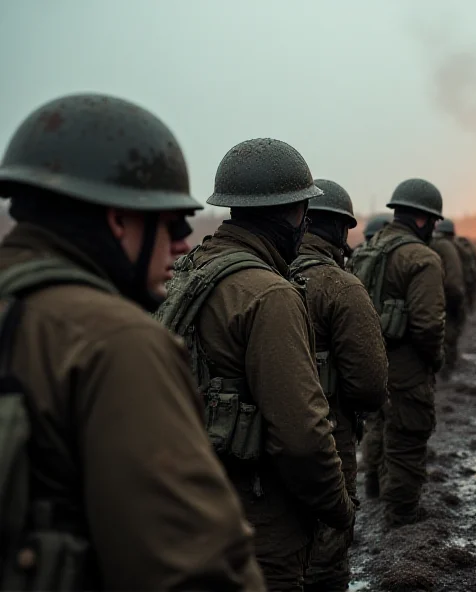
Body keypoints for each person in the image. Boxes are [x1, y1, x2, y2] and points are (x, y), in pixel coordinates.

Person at [0, 93, 265, 590]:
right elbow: (193, 570)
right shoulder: (118, 342)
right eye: (170, 223)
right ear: (118, 220)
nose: (184, 242)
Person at [154, 138, 354, 592]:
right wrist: (339, 508)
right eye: (304, 213)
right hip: (259, 523)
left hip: (188, 506)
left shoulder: (189, 271)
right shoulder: (271, 295)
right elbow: (302, 436)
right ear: (292, 214)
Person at [288, 179, 388, 592]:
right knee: (327, 549)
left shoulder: (259, 273)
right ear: (338, 229)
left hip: (260, 438)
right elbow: (369, 384)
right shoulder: (339, 285)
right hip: (329, 433)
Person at [348, 178, 445, 526]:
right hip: (406, 369)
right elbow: (429, 325)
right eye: (433, 221)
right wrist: (434, 361)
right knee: (406, 442)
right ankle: (401, 517)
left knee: (378, 429)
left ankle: (374, 492)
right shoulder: (422, 258)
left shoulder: (366, 251)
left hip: (367, 365)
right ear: (422, 220)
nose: (433, 228)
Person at [430, 218, 467, 378]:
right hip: (450, 298)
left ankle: (445, 374)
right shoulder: (451, 247)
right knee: (450, 336)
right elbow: (456, 281)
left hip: (440, 299)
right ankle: (448, 372)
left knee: (445, 337)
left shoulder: (437, 246)